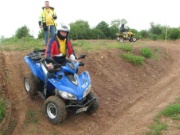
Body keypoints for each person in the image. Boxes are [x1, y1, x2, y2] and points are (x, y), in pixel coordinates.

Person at [43, 23, 77, 97]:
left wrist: (74, 58)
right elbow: (48, 52)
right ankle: (46, 90)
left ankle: (70, 92)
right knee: (50, 75)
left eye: (65, 32)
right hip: (53, 60)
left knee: (73, 70)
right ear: (58, 31)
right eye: (62, 32)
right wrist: (49, 63)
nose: (64, 34)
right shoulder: (52, 40)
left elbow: (71, 50)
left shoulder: (67, 40)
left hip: (63, 59)